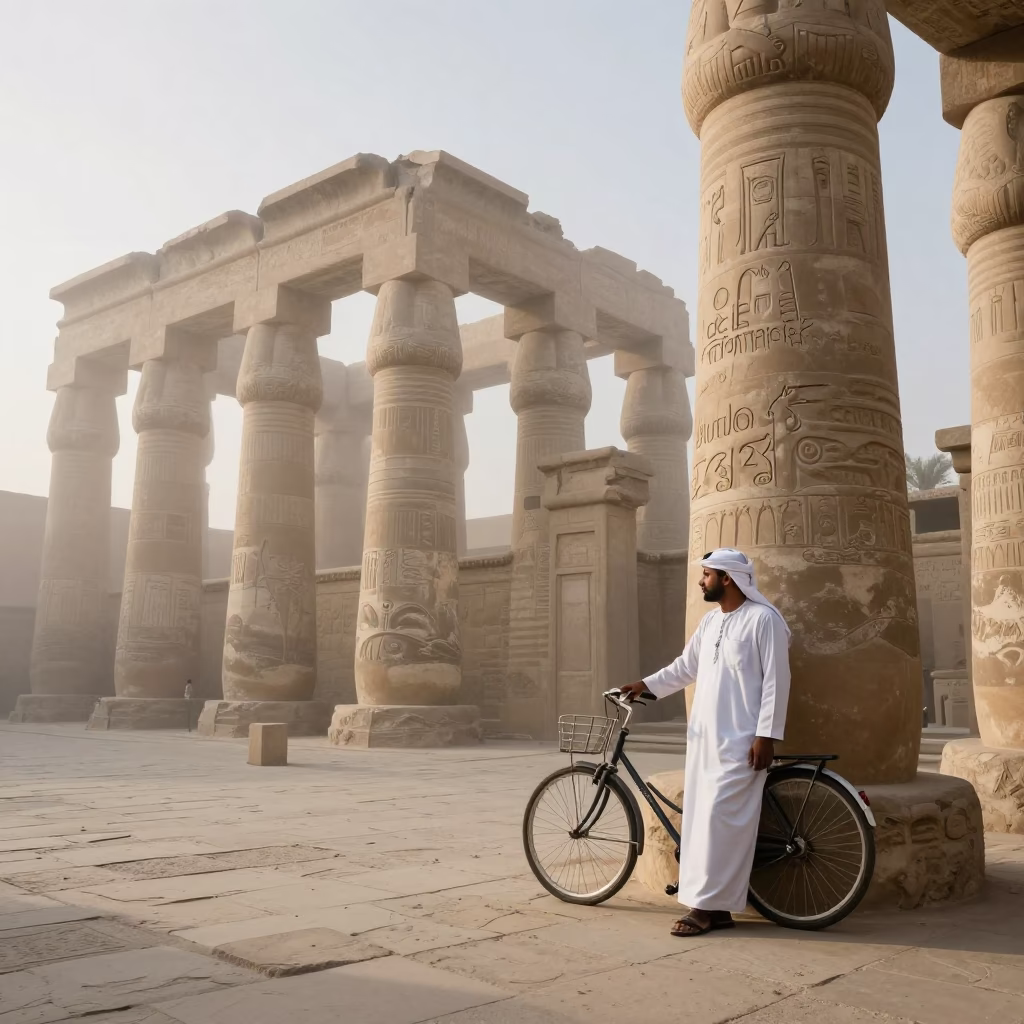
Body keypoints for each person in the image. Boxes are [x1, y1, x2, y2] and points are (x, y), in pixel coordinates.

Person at [620, 547, 791, 937]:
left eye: (707, 575)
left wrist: (766, 735)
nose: (701, 581)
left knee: (721, 824)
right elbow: (685, 667)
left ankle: (703, 908)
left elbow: (777, 681)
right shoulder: (711, 622)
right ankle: (717, 909)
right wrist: (644, 685)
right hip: (704, 741)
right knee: (701, 822)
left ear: (727, 578)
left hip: (742, 741)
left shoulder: (764, 620)